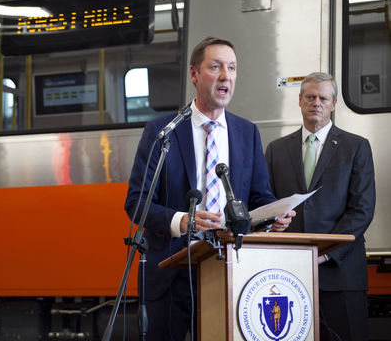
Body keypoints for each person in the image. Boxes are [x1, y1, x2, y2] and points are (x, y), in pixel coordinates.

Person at [124, 36, 294, 341]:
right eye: (215, 67)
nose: (226, 76)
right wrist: (182, 221)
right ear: (194, 74)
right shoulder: (163, 131)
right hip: (171, 271)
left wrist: (273, 216)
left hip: (231, 268)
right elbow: (136, 202)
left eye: (232, 68)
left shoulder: (247, 132)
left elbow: (260, 197)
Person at [265, 72, 375, 341]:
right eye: (310, 97)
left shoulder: (356, 147)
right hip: (289, 275)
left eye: (323, 98)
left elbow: (361, 209)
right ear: (300, 101)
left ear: (334, 103)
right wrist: (270, 221)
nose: (316, 103)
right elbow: (266, 202)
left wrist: (325, 254)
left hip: (341, 274)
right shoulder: (275, 149)